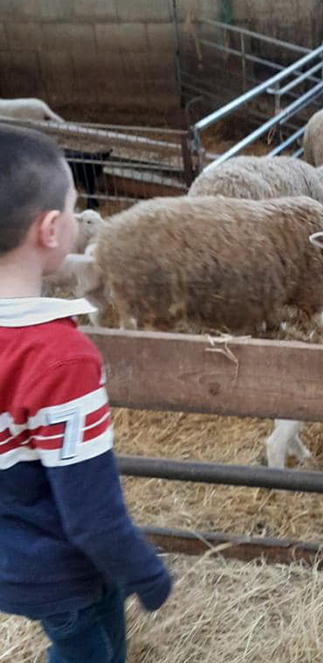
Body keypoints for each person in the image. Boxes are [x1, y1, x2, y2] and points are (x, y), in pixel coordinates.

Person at [0, 125, 171, 663]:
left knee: (95, 626)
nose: (77, 219)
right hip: (59, 570)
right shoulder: (61, 360)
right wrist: (148, 572)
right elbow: (91, 518)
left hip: (14, 557)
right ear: (51, 229)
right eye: (75, 208)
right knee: (82, 651)